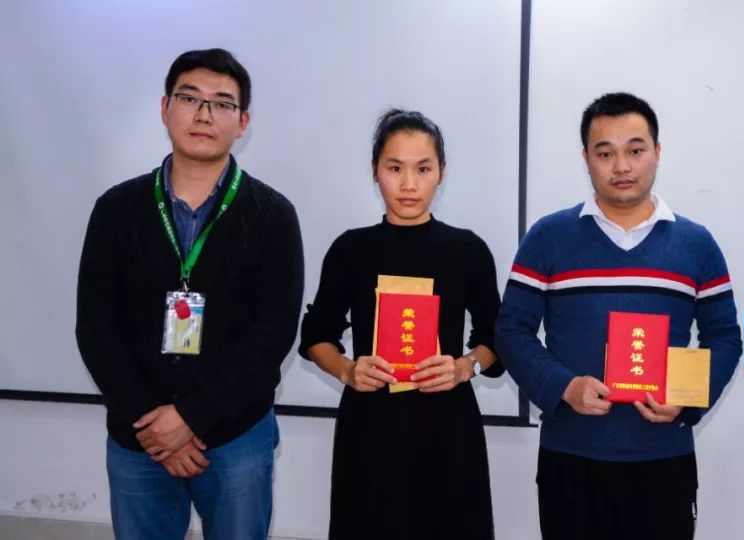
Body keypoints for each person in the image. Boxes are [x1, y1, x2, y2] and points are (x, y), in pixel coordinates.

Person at [75, 48, 304, 540]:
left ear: (242, 122)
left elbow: (273, 333)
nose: (203, 114)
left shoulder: (272, 215)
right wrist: (156, 427)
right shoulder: (116, 209)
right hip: (140, 436)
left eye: (222, 103)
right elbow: (96, 327)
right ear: (165, 108)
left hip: (236, 435)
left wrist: (191, 418)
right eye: (189, 98)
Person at [495, 92, 742, 539]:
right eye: (605, 153)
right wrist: (564, 386)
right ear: (586, 159)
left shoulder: (696, 244)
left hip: (663, 459)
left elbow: (724, 337)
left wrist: (689, 400)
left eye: (635, 150)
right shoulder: (548, 237)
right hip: (571, 457)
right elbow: (512, 331)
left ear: (657, 152)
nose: (622, 166)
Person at [299, 109, 503, 539]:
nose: (409, 184)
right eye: (395, 168)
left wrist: (464, 367)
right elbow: (317, 335)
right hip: (371, 427)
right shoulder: (351, 249)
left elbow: (495, 338)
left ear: (441, 171)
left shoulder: (467, 250)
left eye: (423, 169)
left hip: (448, 428)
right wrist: (348, 370)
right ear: (375, 170)